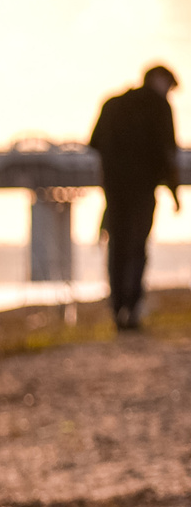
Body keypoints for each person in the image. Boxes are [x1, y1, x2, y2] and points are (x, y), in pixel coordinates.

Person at [89, 65, 180, 331]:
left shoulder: (112, 104)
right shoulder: (160, 107)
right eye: (169, 87)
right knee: (138, 247)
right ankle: (133, 307)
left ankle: (117, 308)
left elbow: (94, 143)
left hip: (115, 191)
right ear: (159, 80)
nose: (169, 94)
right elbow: (168, 153)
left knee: (117, 246)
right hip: (142, 190)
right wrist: (174, 192)